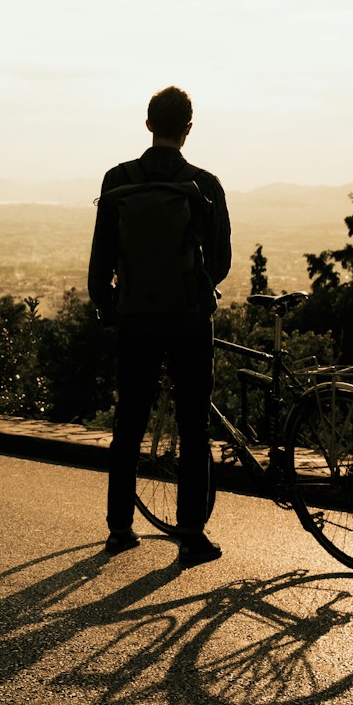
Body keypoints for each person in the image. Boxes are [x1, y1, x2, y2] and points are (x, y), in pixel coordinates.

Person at [88, 86, 231, 568]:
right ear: (188, 128)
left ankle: (119, 529)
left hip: (136, 320)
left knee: (129, 422)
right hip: (189, 320)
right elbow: (223, 260)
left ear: (148, 124)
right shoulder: (205, 184)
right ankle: (191, 535)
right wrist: (196, 286)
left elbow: (100, 260)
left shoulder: (117, 179)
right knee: (193, 425)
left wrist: (110, 307)